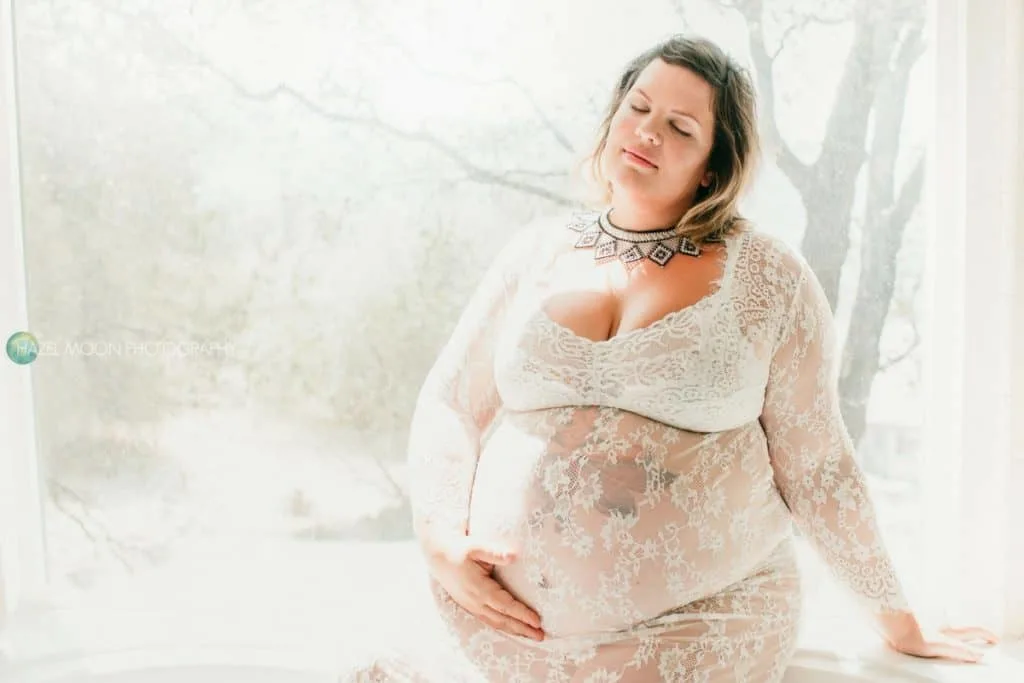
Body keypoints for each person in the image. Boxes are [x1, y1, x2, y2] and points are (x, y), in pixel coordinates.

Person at [341, 34, 998, 682]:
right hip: (491, 623)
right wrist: (440, 541)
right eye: (639, 107)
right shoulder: (534, 253)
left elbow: (819, 465)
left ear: (714, 165)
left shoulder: (769, 277)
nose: (648, 131)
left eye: (681, 126)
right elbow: (450, 403)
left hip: (693, 627)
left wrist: (899, 621)